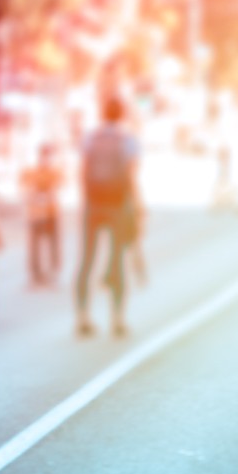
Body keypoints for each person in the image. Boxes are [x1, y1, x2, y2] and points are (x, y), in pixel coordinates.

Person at [74, 95, 139, 339]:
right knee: (117, 262)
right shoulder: (128, 140)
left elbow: (82, 172)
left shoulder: (90, 138)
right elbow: (131, 176)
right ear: (121, 115)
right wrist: (135, 206)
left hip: (94, 205)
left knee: (87, 261)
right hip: (117, 205)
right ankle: (117, 319)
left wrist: (88, 200)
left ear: (102, 114)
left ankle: (82, 317)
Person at [19, 143, 62, 287]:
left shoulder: (53, 171)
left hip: (49, 213)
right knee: (36, 246)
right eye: (45, 155)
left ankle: (52, 271)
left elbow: (58, 185)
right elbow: (24, 186)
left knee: (51, 244)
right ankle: (36, 273)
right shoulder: (32, 171)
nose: (46, 159)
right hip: (36, 214)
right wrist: (33, 192)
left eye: (48, 156)